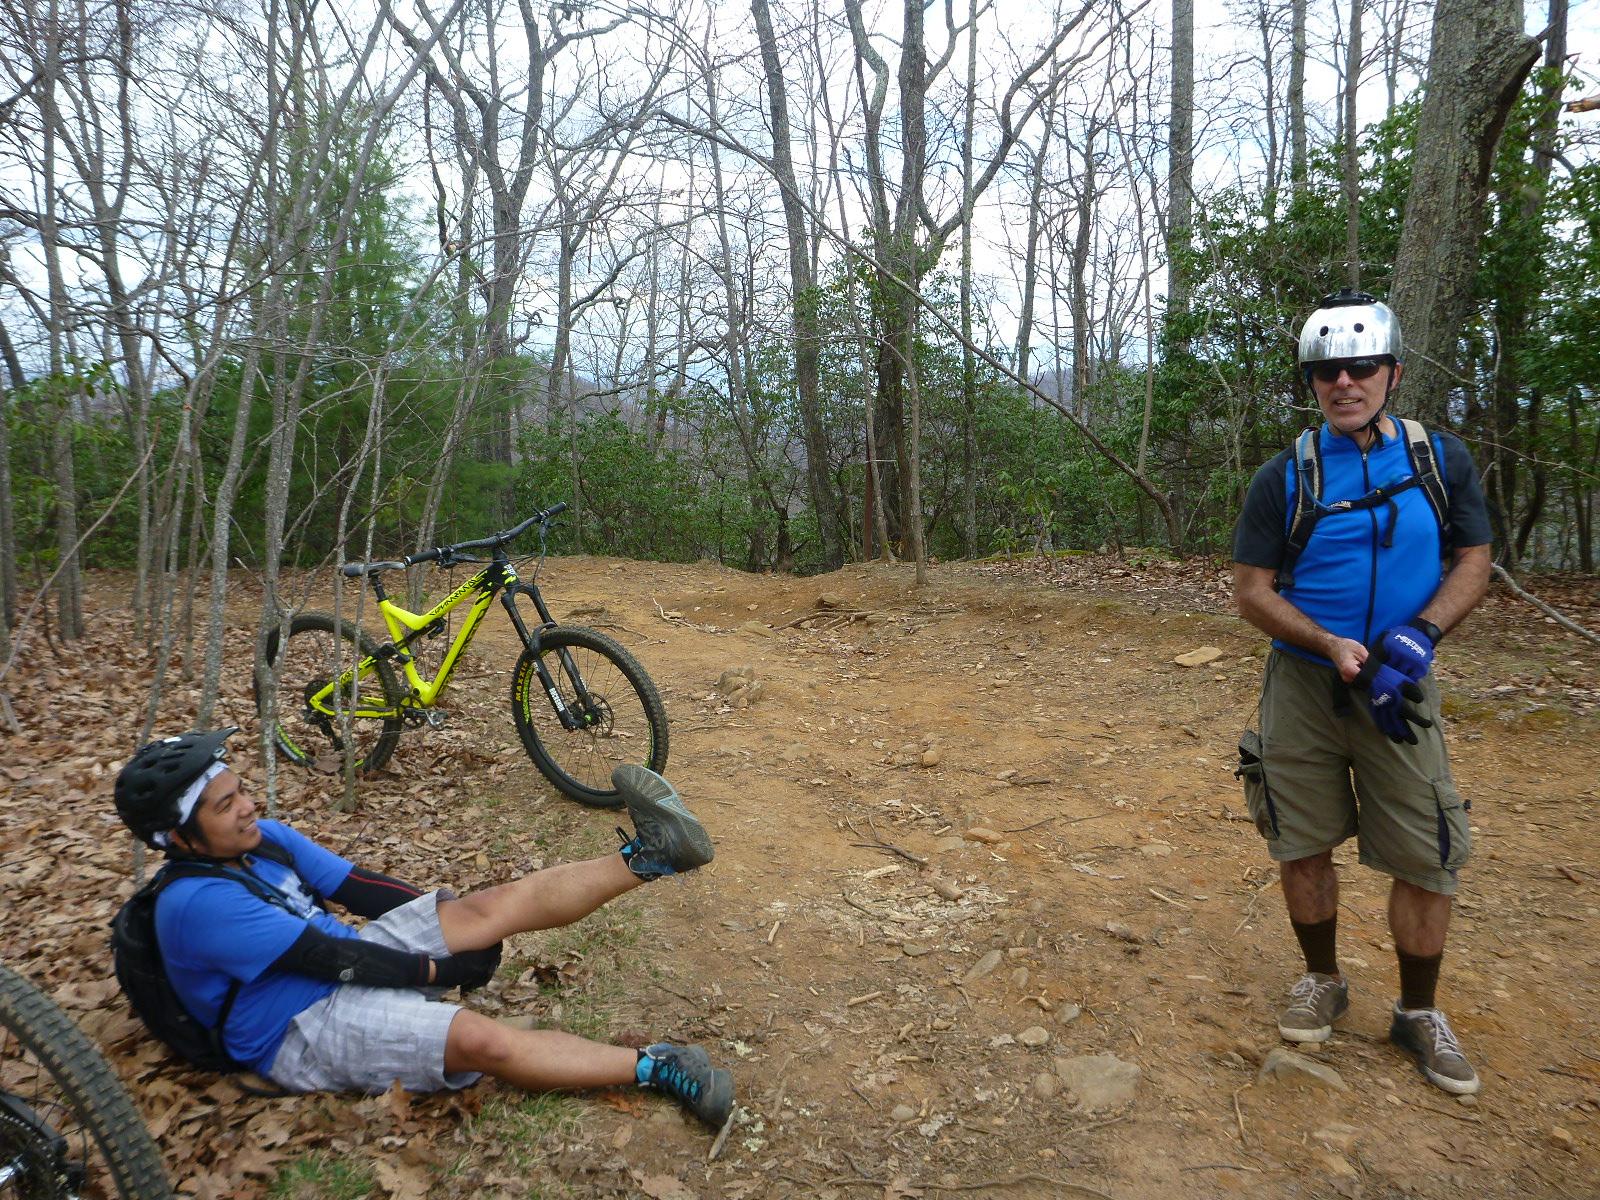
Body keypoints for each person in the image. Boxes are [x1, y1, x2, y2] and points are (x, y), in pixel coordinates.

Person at [112, 728, 733, 1128]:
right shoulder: (196, 903)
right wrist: (439, 969)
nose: (248, 805)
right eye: (225, 806)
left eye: (240, 790)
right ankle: (658, 1066)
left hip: (339, 956)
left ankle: (651, 856)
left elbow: (359, 889)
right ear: (180, 838)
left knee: (488, 909)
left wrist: (450, 919)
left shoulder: (262, 841)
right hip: (292, 1028)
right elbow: (330, 961)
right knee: (483, 1044)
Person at [1231, 289, 1493, 1095]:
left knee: (1426, 849)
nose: (1344, 382)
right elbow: (1251, 589)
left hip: (1402, 688)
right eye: (1326, 371)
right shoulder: (1288, 477)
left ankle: (1419, 1012)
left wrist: (1420, 636)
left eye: (1362, 367)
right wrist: (1327, 642)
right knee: (1300, 836)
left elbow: (1474, 560)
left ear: (1392, 373)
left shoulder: (1438, 462)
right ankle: (1323, 978)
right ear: (1312, 383)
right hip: (1305, 687)